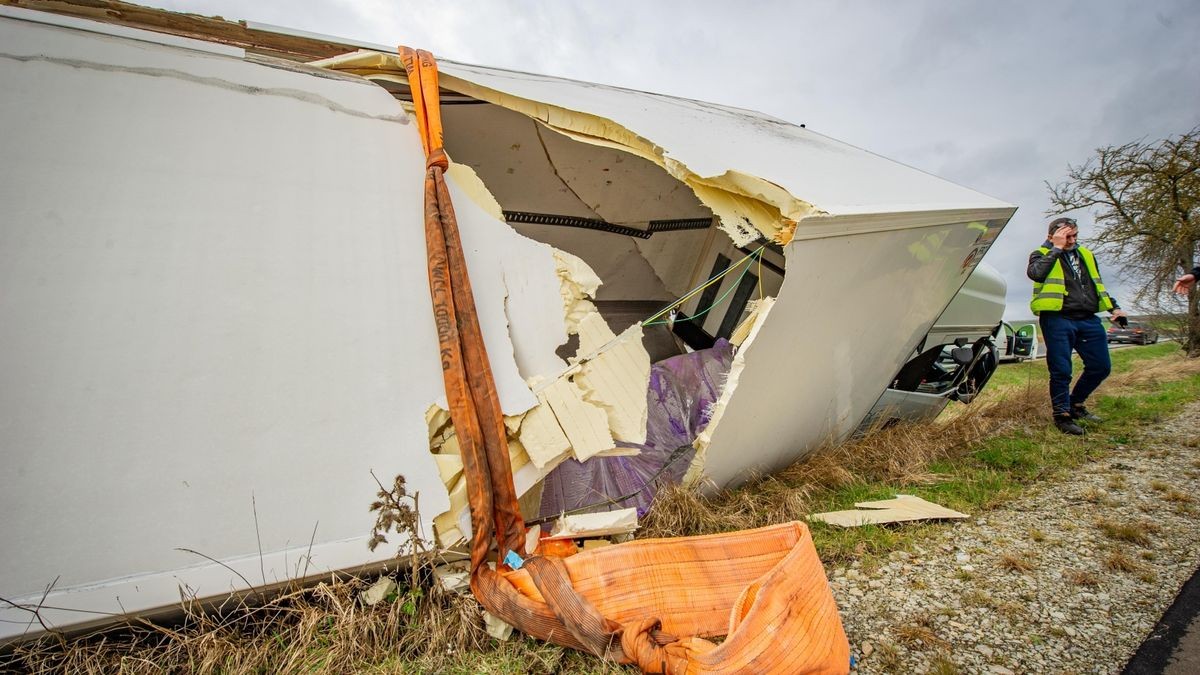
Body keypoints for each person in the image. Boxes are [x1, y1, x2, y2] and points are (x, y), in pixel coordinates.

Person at [1027, 217, 1128, 435]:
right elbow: (1036, 274)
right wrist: (1057, 248)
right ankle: (1062, 416)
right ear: (1052, 236)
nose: (1072, 240)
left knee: (1101, 366)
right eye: (1067, 236)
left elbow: (1097, 285)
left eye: (1074, 235)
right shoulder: (1041, 254)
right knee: (1061, 370)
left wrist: (1114, 309)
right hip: (1058, 318)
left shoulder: (1087, 255)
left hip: (1088, 319)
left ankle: (1076, 404)